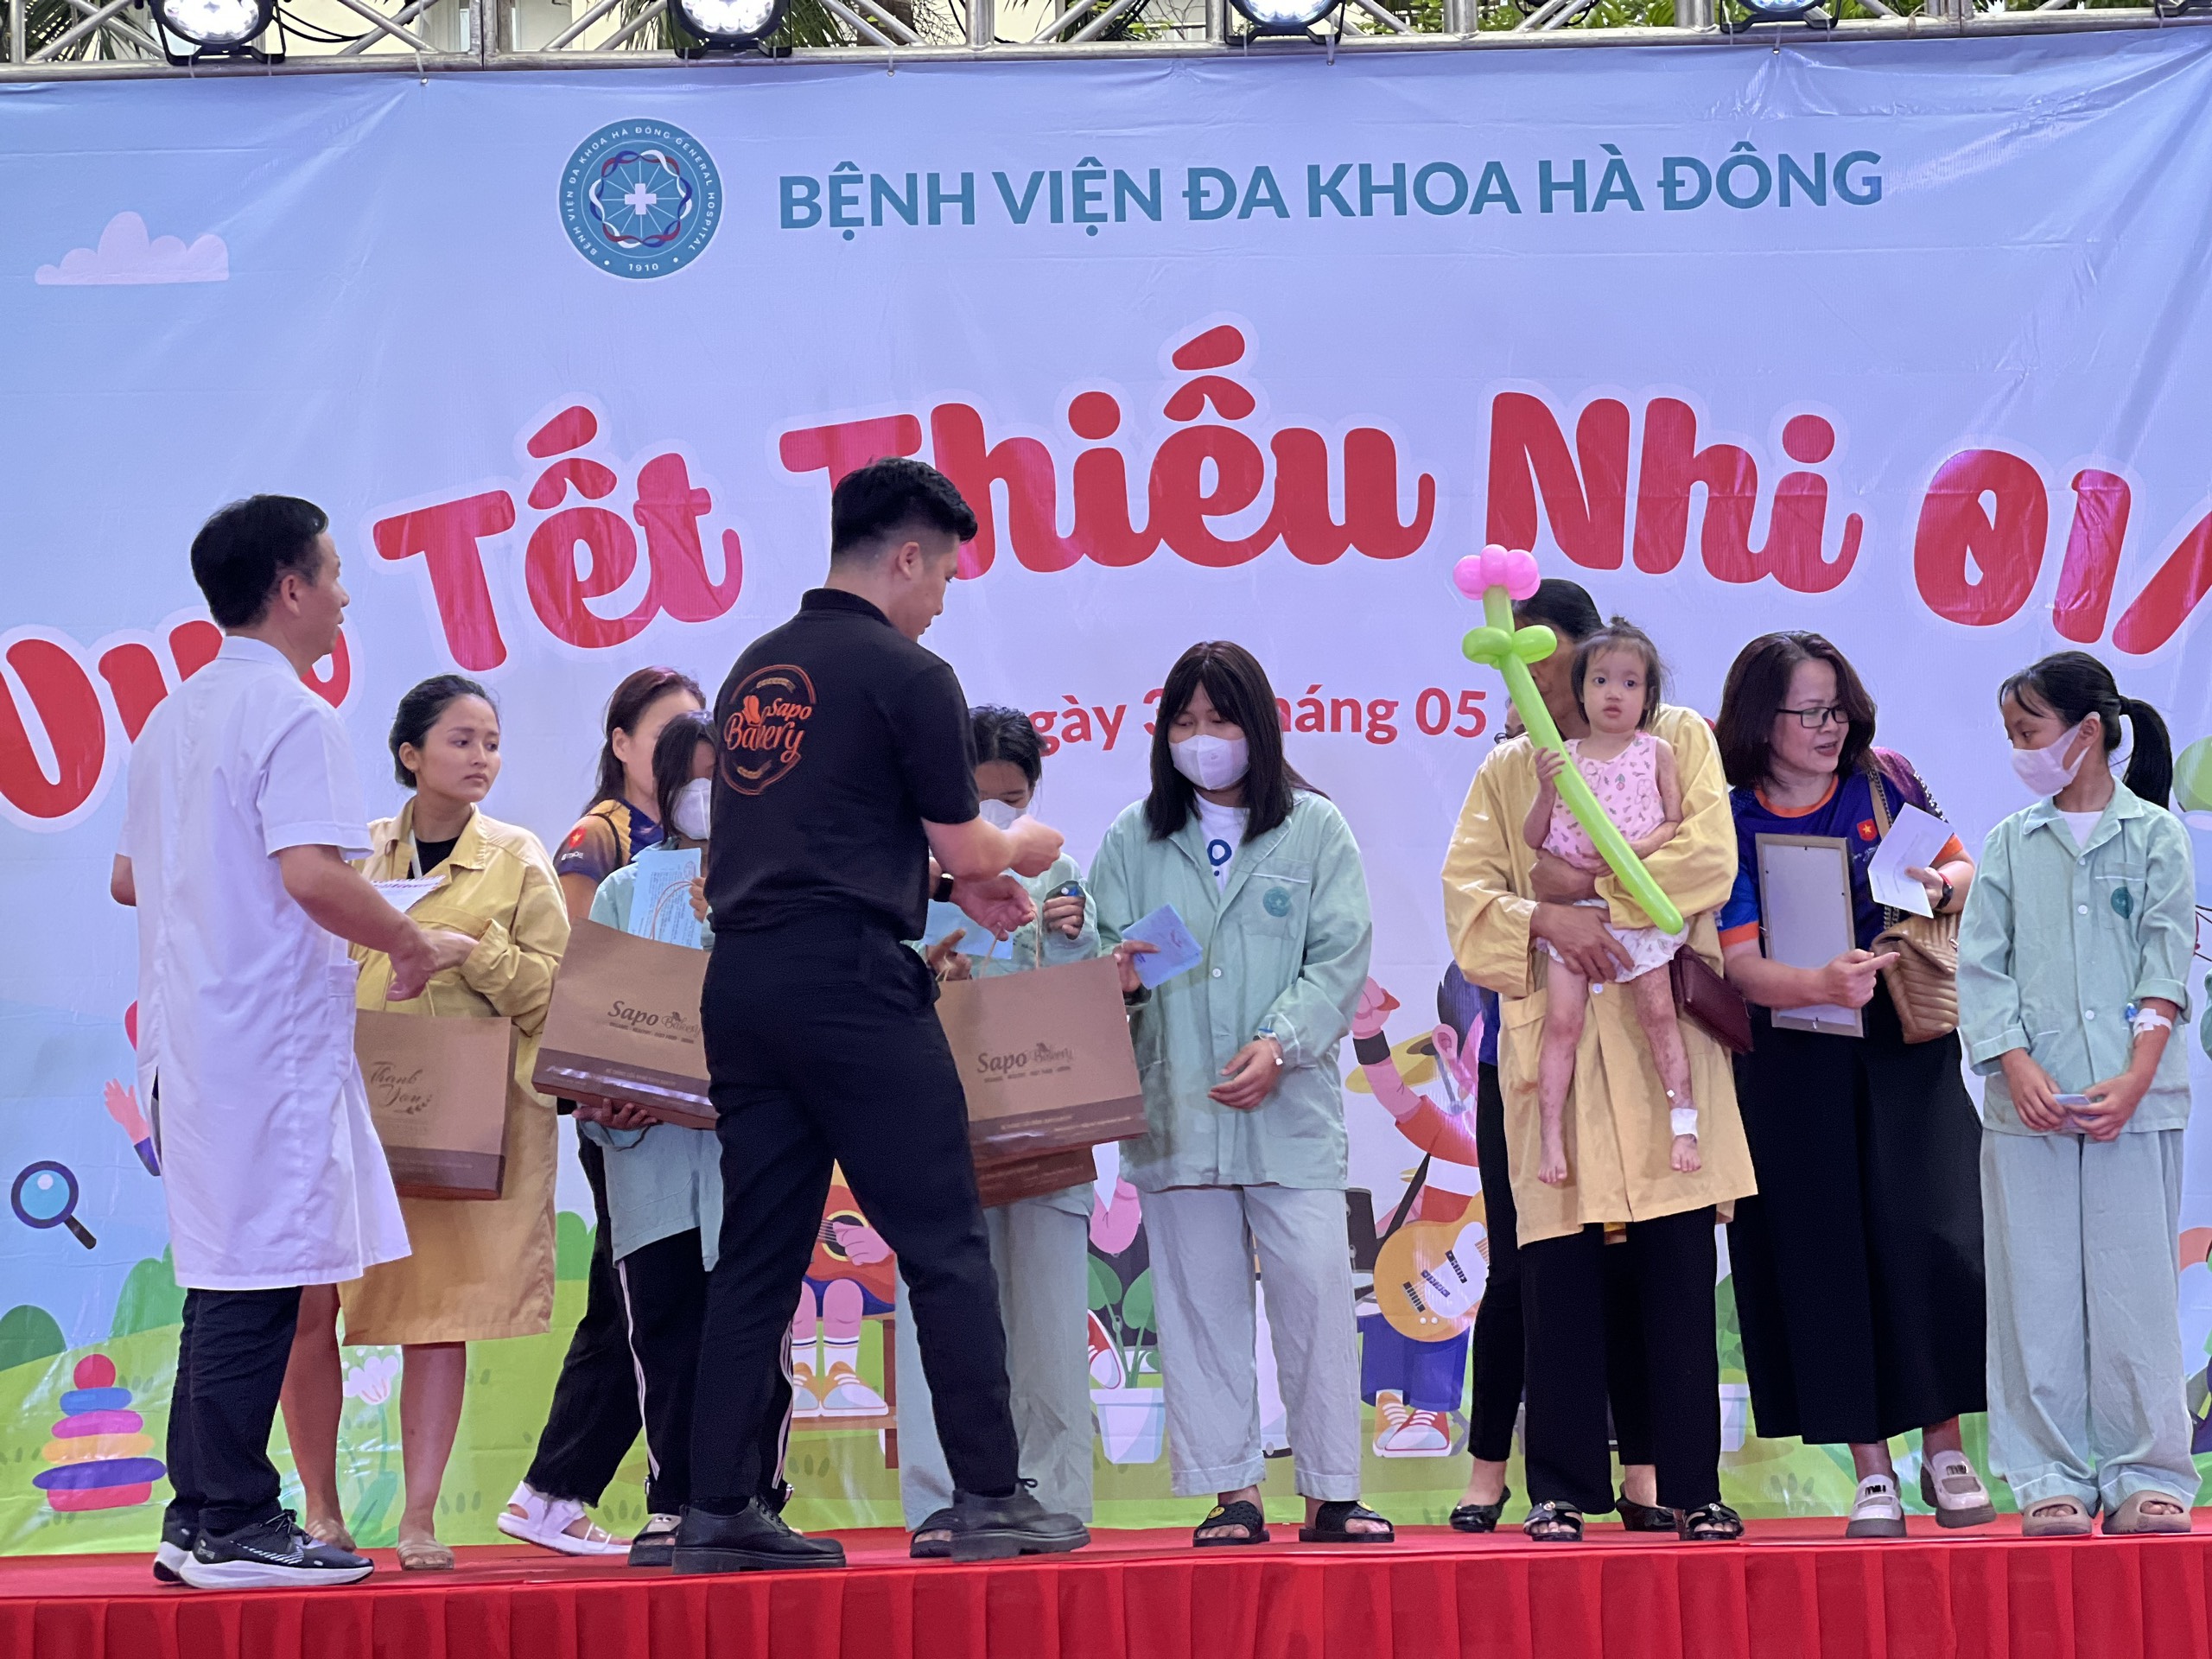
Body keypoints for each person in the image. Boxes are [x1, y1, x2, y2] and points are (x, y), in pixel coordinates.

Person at [676, 456, 1090, 1573]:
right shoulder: (911, 672)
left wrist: (949, 885)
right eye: (943, 573)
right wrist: (1015, 849)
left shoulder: (756, 671)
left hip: (745, 980)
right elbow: (969, 839)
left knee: (757, 1252)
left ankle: (717, 1507)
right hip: (851, 988)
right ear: (907, 556)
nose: (943, 597)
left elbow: (822, 834)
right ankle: (990, 1495)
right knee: (944, 1239)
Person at [112, 495, 474, 1588]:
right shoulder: (293, 714)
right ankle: (232, 1521)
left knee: (226, 1278)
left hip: (191, 1043)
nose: (346, 594)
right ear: (290, 587)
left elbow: (130, 877)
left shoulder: (170, 719)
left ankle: (199, 1517)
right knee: (260, 1279)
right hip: (261, 1044)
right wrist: (409, 941)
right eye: (334, 571)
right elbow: (311, 875)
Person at [1443, 579, 1752, 1544]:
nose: (1535, 693)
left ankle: (1694, 1487)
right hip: (1560, 1050)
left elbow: (1707, 859)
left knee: (1675, 1272)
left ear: (1599, 658)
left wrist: (1586, 898)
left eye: (1550, 671)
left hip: (1661, 1046)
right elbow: (1469, 899)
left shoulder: (1678, 741)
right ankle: (1561, 1489)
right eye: (1520, 679)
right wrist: (1548, 919)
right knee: (1556, 1274)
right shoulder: (1510, 769)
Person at [1090, 640, 1390, 1549]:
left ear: (1257, 726)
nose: (1202, 738)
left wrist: (1282, 1043)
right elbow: (1099, 961)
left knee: (1315, 1299)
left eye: (1219, 719)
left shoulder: (1314, 830)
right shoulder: (1132, 838)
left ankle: (1332, 1493)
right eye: (1184, 722)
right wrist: (1113, 978)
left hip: (1288, 1116)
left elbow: (1338, 959)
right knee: (1197, 1310)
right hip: (1178, 1114)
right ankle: (1233, 1494)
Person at [1713, 631, 1993, 1538]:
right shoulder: (1730, 819)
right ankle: (1871, 1466)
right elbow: (1739, 965)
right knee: (1822, 1250)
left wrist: (1935, 887)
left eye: (1837, 708)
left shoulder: (1883, 779)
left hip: (1903, 1039)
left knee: (1930, 1236)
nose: (1829, 728)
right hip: (1793, 1055)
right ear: (1762, 720)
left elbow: (1962, 866)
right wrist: (1817, 986)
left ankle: (1944, 1448)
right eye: (1808, 712)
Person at [1961, 652, 2197, 1536]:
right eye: (2012, 736)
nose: (2019, 751)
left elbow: (2164, 967)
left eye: (2029, 732)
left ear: (2087, 732)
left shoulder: (2156, 837)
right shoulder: (2007, 843)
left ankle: (2148, 1473)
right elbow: (1981, 968)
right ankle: (2045, 1476)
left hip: (2136, 1106)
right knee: (2035, 1296)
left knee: (2137, 1293)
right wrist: (2012, 1062)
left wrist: (2136, 1076)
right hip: (2027, 1112)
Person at [574, 709, 791, 1567]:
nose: (705, 793)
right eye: (689, 779)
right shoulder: (624, 889)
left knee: (754, 1337)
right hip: (650, 1160)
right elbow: (596, 1021)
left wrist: (721, 923)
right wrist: (602, 1100)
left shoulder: (775, 886)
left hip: (750, 1159)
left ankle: (753, 1500)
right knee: (663, 1335)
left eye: (719, 776)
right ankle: (670, 1503)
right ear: (661, 790)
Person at [501, 665, 704, 1557]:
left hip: (690, 1106)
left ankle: (553, 1491)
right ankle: (554, 1489)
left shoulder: (709, 842)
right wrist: (603, 1086)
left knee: (642, 1300)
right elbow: (582, 973)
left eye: (695, 736)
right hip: (625, 1103)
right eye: (664, 735)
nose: (682, 755)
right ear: (621, 744)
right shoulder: (602, 839)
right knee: (633, 1299)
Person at [895, 705, 1102, 1558]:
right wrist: (929, 968)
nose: (998, 817)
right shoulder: (908, 875)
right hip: (933, 1118)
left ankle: (1053, 1494)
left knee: (1050, 1318)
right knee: (937, 1313)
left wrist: (1076, 941)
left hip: (1044, 1122)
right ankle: (942, 1498)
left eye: (1013, 801)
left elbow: (1102, 992)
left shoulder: (1063, 874)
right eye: (979, 801)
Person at [1521, 620, 1696, 1186]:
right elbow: (1534, 838)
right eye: (1600, 681)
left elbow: (1673, 822)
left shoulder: (1658, 752)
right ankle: (1551, 1137)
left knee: (1660, 1016)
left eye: (1629, 682)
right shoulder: (1562, 756)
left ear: (1648, 695)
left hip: (1638, 910)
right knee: (1562, 1025)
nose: (1613, 694)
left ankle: (1684, 1125)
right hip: (1574, 919)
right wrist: (1547, 789)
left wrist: (1631, 854)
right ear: (1581, 689)